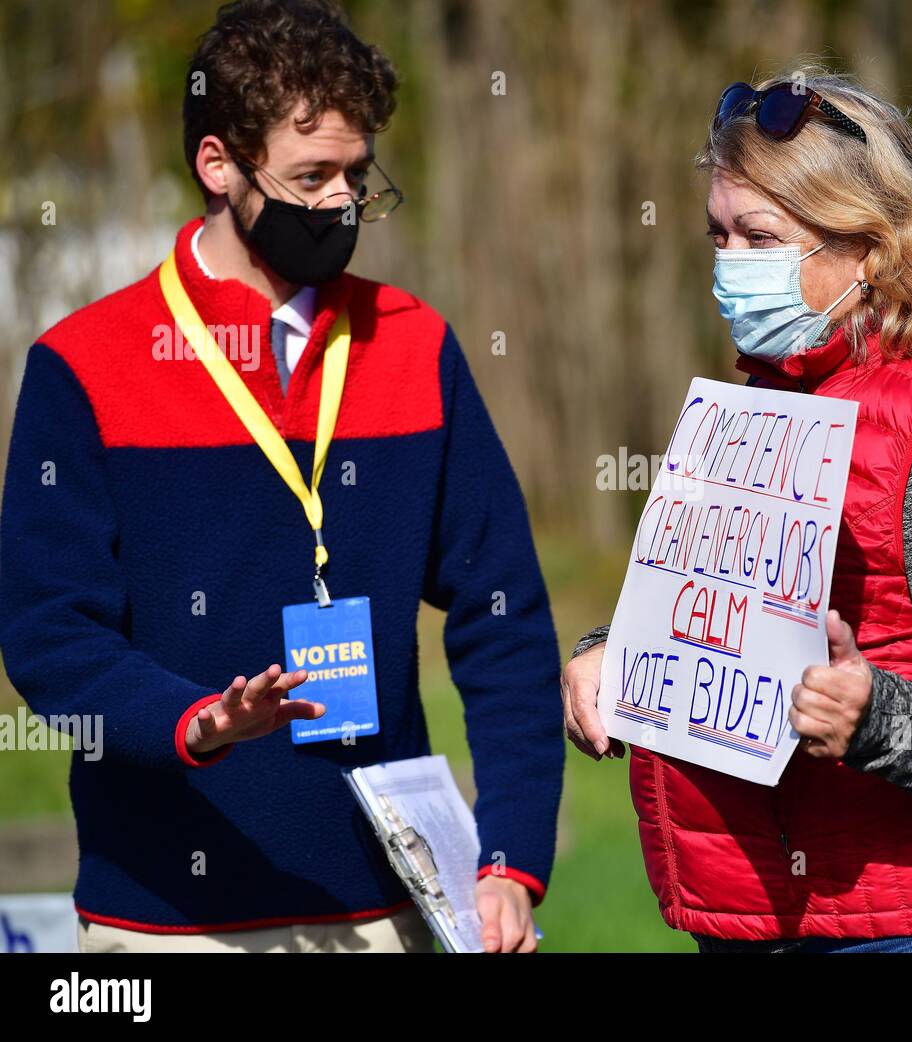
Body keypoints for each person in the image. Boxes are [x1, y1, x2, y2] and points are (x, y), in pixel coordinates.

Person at [0, 0, 562, 953]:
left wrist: (509, 858)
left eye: (357, 174)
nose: (342, 203)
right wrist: (198, 721)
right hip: (165, 928)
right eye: (312, 177)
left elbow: (503, 620)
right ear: (217, 163)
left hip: (392, 914)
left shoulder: (416, 346)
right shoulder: (83, 364)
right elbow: (49, 637)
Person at [562, 70, 912, 953]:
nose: (728, 267)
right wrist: (608, 657)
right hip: (772, 921)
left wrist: (875, 720)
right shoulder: (756, 407)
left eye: (759, 238)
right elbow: (717, 630)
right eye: (718, 236)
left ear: (870, 249)